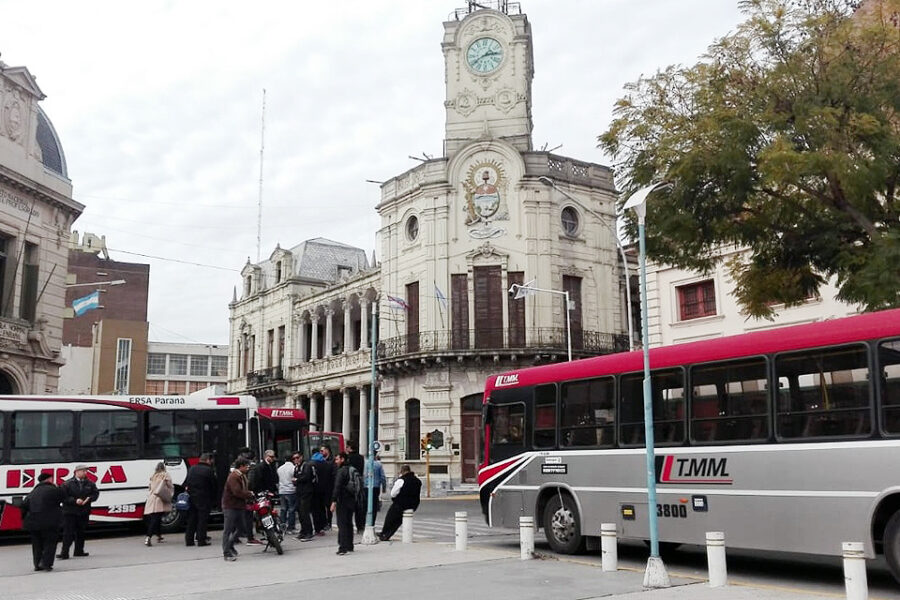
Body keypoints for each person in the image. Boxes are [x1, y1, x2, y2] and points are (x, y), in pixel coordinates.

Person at [22, 472, 65, 572]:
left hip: (33, 523)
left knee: (37, 544)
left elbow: (24, 505)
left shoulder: (33, 492)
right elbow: (64, 497)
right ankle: (46, 563)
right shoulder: (53, 490)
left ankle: (37, 564)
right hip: (50, 522)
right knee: (50, 542)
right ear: (49, 479)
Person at [57, 465, 99, 559]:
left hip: (84, 511)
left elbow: (95, 494)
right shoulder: (67, 484)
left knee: (81, 532)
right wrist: (74, 501)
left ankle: (79, 550)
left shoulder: (90, 483)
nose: (85, 473)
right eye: (83, 471)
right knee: (68, 533)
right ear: (76, 472)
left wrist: (89, 499)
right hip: (70, 512)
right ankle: (64, 552)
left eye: (86, 471)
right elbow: (63, 497)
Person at [221, 458, 254, 561]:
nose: (248, 468)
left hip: (239, 506)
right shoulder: (234, 477)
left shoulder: (242, 476)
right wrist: (249, 494)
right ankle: (226, 553)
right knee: (228, 530)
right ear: (241, 466)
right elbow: (237, 492)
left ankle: (230, 545)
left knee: (241, 528)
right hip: (231, 506)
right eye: (247, 466)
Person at [378, 465, 422, 542]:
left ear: (402, 471)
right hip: (414, 504)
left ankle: (384, 534)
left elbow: (393, 494)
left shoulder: (401, 480)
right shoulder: (418, 481)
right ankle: (387, 534)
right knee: (399, 521)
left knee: (390, 518)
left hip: (401, 503)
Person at [183, 452, 217, 546]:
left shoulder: (192, 468)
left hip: (192, 497)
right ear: (208, 460)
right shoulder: (208, 470)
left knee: (192, 519)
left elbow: (186, 482)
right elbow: (213, 485)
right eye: (211, 460)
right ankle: (201, 539)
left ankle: (189, 540)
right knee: (202, 519)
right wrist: (214, 498)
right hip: (204, 498)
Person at [330, 452, 357, 555]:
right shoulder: (351, 469)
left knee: (342, 524)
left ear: (342, 459)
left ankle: (343, 547)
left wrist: (333, 501)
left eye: (337, 459)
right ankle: (350, 545)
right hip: (351, 500)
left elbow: (337, 487)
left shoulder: (341, 471)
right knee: (349, 523)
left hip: (342, 500)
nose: (336, 462)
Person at [144, 462, 174, 546]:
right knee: (155, 519)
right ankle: (148, 537)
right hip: (160, 499)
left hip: (152, 499)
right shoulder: (165, 475)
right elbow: (170, 486)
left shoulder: (153, 476)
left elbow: (150, 488)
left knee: (157, 518)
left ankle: (159, 535)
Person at [294, 452, 316, 541]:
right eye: (294, 458)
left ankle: (309, 532)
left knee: (304, 512)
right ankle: (303, 531)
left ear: (301, 457)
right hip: (299, 491)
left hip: (306, 492)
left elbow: (307, 477)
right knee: (300, 512)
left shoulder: (306, 465)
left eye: (297, 457)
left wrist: (297, 479)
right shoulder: (297, 467)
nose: (296, 460)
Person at [313, 447, 335, 532]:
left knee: (328, 505)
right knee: (322, 506)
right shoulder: (321, 462)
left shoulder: (331, 462)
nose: (321, 453)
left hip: (328, 487)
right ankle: (324, 522)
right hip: (322, 487)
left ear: (327, 450)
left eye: (322, 451)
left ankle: (328, 522)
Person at [346, 441, 366, 533]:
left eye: (347, 447)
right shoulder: (361, 458)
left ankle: (348, 526)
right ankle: (360, 527)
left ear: (350, 448)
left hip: (349, 484)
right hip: (359, 483)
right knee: (359, 507)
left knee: (348, 507)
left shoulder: (348, 458)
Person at [362, 454, 387, 528]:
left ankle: (363, 523)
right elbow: (382, 477)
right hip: (375, 487)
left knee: (365, 505)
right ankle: (372, 523)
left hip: (366, 487)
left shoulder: (365, 463)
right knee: (374, 505)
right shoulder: (379, 464)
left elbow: (363, 475)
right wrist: (384, 487)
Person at [277, 454, 299, 534]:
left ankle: (282, 527)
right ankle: (291, 527)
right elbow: (295, 478)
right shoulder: (293, 468)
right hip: (291, 490)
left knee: (283, 509)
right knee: (291, 509)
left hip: (282, 490)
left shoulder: (279, 468)